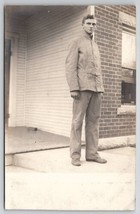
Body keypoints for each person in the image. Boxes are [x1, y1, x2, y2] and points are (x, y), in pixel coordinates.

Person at [65, 14, 107, 166]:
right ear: (82, 25)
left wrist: (100, 88)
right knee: (77, 122)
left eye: (94, 24)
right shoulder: (76, 42)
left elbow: (98, 69)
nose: (91, 26)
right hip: (82, 89)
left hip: (96, 90)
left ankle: (92, 154)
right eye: (89, 23)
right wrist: (74, 88)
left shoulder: (95, 45)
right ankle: (75, 156)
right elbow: (70, 66)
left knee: (93, 122)